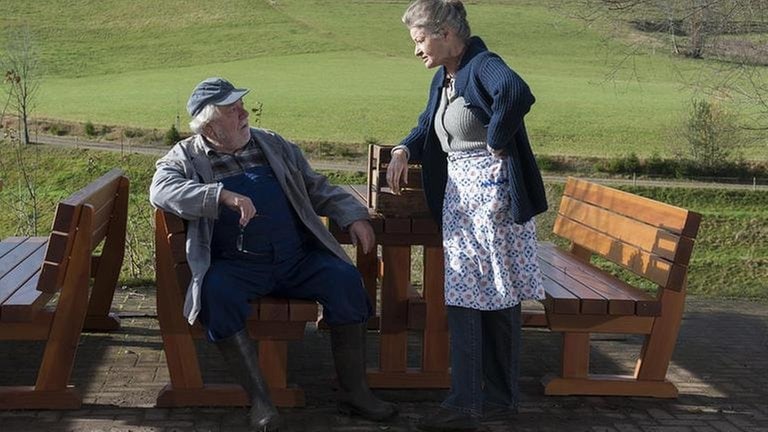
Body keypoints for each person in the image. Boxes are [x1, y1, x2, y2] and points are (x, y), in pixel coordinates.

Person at [149, 77, 397, 431]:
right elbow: (162, 189)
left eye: (242, 106)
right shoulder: (186, 157)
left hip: (296, 259)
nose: (244, 113)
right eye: (233, 110)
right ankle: (262, 403)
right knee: (215, 294)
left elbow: (317, 187)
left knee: (345, 281)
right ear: (209, 124)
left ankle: (356, 394)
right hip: (237, 266)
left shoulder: (272, 143)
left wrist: (352, 215)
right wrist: (220, 196)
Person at [386, 1, 548, 431]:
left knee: (472, 299)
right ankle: (497, 400)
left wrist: (496, 139)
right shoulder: (448, 76)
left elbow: (515, 93)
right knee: (490, 297)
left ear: (444, 32)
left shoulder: (481, 65)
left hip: (487, 201)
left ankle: (466, 405)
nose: (416, 50)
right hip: (465, 199)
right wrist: (404, 147)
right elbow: (428, 123)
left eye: (419, 40)